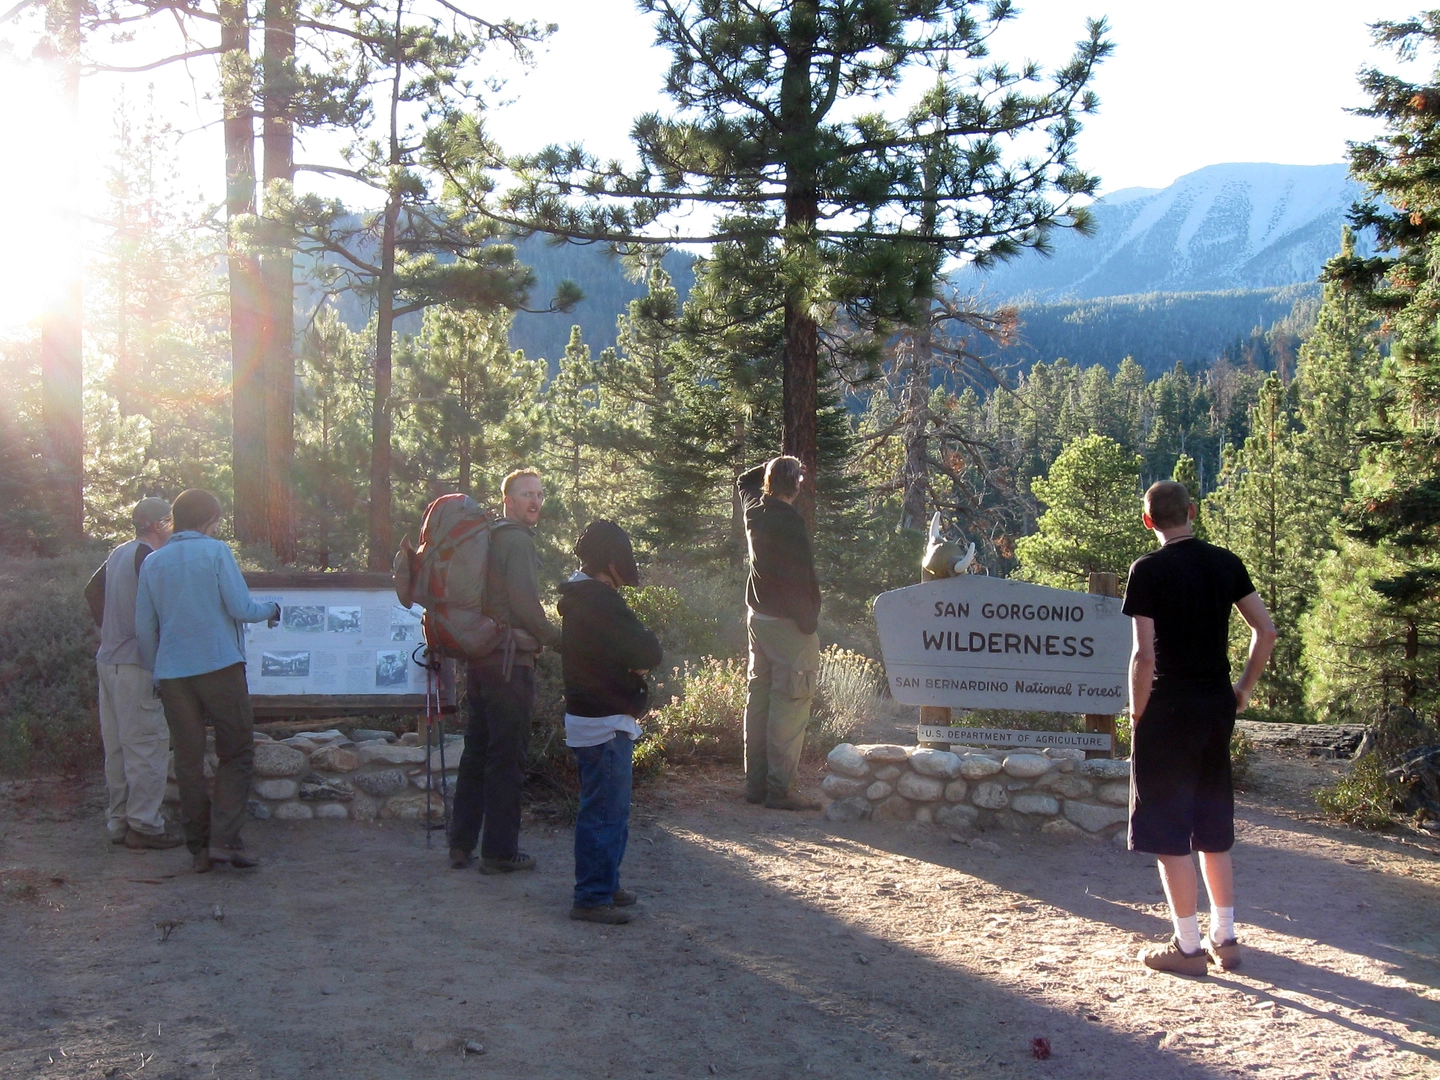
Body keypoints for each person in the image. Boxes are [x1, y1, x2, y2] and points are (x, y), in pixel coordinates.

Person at [1123, 480, 1276, 976]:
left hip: (1167, 708)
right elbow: (1265, 630)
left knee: (1170, 832)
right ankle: (1225, 939)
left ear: (1149, 521)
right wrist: (1243, 688)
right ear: (1192, 511)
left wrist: (1136, 713)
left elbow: (1144, 656)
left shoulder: (1146, 570)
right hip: (1215, 706)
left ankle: (1186, 947)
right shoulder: (1226, 563)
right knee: (1213, 827)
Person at [135, 489, 280, 874]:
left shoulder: (153, 563)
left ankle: (199, 848)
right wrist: (273, 609)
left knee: (188, 760)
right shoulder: (216, 553)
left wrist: (157, 672)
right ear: (208, 520)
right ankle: (224, 840)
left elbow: (144, 629)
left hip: (173, 674)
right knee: (237, 751)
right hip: (219, 666)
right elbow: (241, 608)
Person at [448, 469, 561, 874]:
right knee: (506, 758)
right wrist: (558, 638)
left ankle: (460, 845)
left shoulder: (489, 537)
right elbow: (527, 604)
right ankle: (500, 852)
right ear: (507, 500)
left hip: (481, 659)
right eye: (527, 494)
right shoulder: (516, 540)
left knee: (476, 754)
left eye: (540, 494)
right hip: (510, 663)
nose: (535, 501)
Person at [557, 521, 662, 924]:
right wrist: (634, 665)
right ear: (611, 562)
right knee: (605, 811)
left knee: (607, 809)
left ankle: (605, 883)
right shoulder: (600, 601)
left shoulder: (584, 598)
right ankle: (592, 896)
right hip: (603, 721)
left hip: (594, 719)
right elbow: (648, 650)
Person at [84, 497, 183, 850]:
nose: (174, 529)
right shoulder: (150, 558)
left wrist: (109, 629)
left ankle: (120, 821)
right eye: (171, 522)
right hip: (136, 663)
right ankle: (145, 825)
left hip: (108, 659)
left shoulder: (119, 553)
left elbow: (90, 591)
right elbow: (162, 611)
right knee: (146, 745)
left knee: (118, 747)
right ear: (158, 525)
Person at [736, 456, 823, 811]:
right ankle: (780, 791)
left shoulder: (754, 512)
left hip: (759, 622)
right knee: (789, 704)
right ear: (797, 486)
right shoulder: (792, 525)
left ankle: (755, 785)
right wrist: (809, 624)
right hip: (789, 627)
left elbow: (744, 480)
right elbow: (801, 581)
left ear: (769, 484)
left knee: (759, 700)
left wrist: (773, 465)